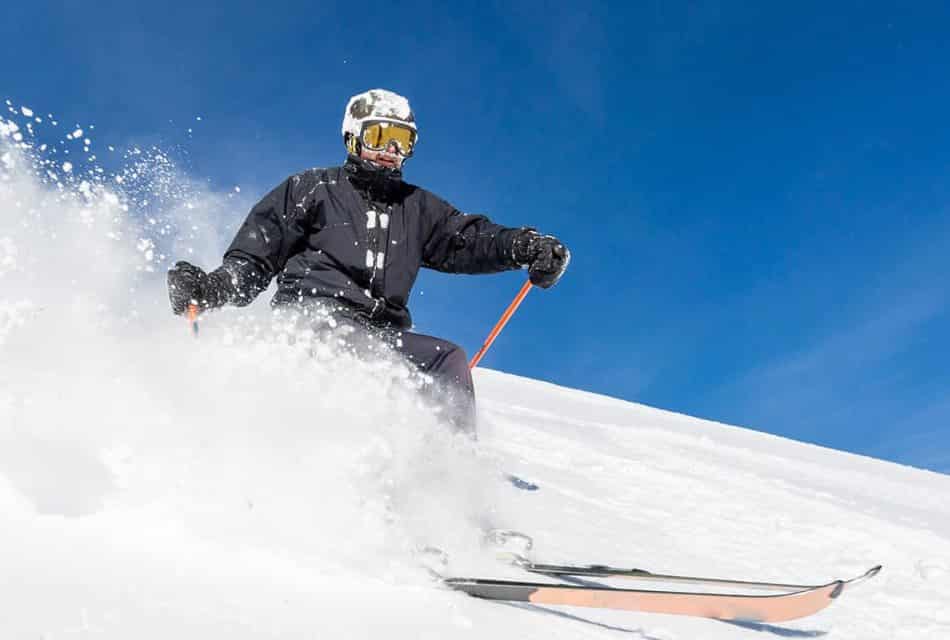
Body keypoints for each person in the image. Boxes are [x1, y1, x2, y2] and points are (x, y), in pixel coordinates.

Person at [167, 89, 570, 432]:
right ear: (353, 138)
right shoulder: (312, 189)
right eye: (380, 137)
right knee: (363, 352)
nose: (391, 152)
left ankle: (451, 486)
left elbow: (468, 239)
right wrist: (211, 288)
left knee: (448, 360)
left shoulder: (416, 207)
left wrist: (523, 246)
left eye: (403, 142)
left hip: (378, 332)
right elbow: (256, 256)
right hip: (312, 323)